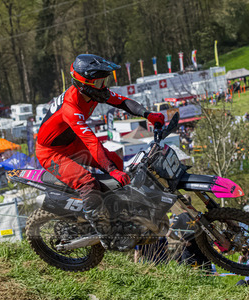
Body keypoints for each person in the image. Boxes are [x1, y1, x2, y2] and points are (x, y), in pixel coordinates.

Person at [36, 54, 165, 245]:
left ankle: (114, 210)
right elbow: (91, 141)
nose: (104, 86)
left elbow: (123, 102)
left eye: (105, 80)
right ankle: (102, 231)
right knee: (87, 183)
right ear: (84, 83)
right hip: (51, 152)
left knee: (116, 161)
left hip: (70, 142)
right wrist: (111, 170)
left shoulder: (93, 93)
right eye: (99, 82)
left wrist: (148, 114)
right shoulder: (70, 107)